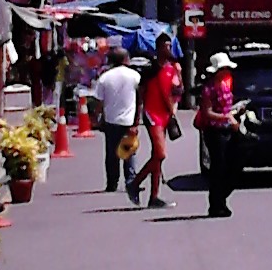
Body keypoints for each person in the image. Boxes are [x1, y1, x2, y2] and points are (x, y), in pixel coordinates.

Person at [129, 35, 183, 207]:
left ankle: (154, 196)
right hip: (152, 114)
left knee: (157, 157)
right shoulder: (150, 70)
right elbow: (140, 96)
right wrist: (135, 122)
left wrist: (179, 74)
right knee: (160, 154)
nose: (169, 50)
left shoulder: (172, 68)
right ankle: (135, 183)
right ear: (158, 48)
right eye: (165, 46)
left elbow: (178, 91)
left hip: (166, 114)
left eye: (170, 46)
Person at [194, 52, 240, 218]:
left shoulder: (225, 85)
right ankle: (217, 204)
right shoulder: (209, 89)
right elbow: (207, 113)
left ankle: (220, 199)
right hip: (214, 132)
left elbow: (227, 107)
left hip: (228, 130)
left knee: (232, 165)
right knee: (218, 168)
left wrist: (235, 112)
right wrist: (226, 118)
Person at [93, 39, 142, 194]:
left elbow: (99, 102)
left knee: (111, 154)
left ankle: (112, 183)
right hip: (129, 121)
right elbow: (140, 99)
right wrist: (137, 121)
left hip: (111, 120)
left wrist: (97, 118)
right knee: (129, 151)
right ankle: (131, 181)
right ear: (125, 59)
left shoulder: (104, 77)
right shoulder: (135, 76)